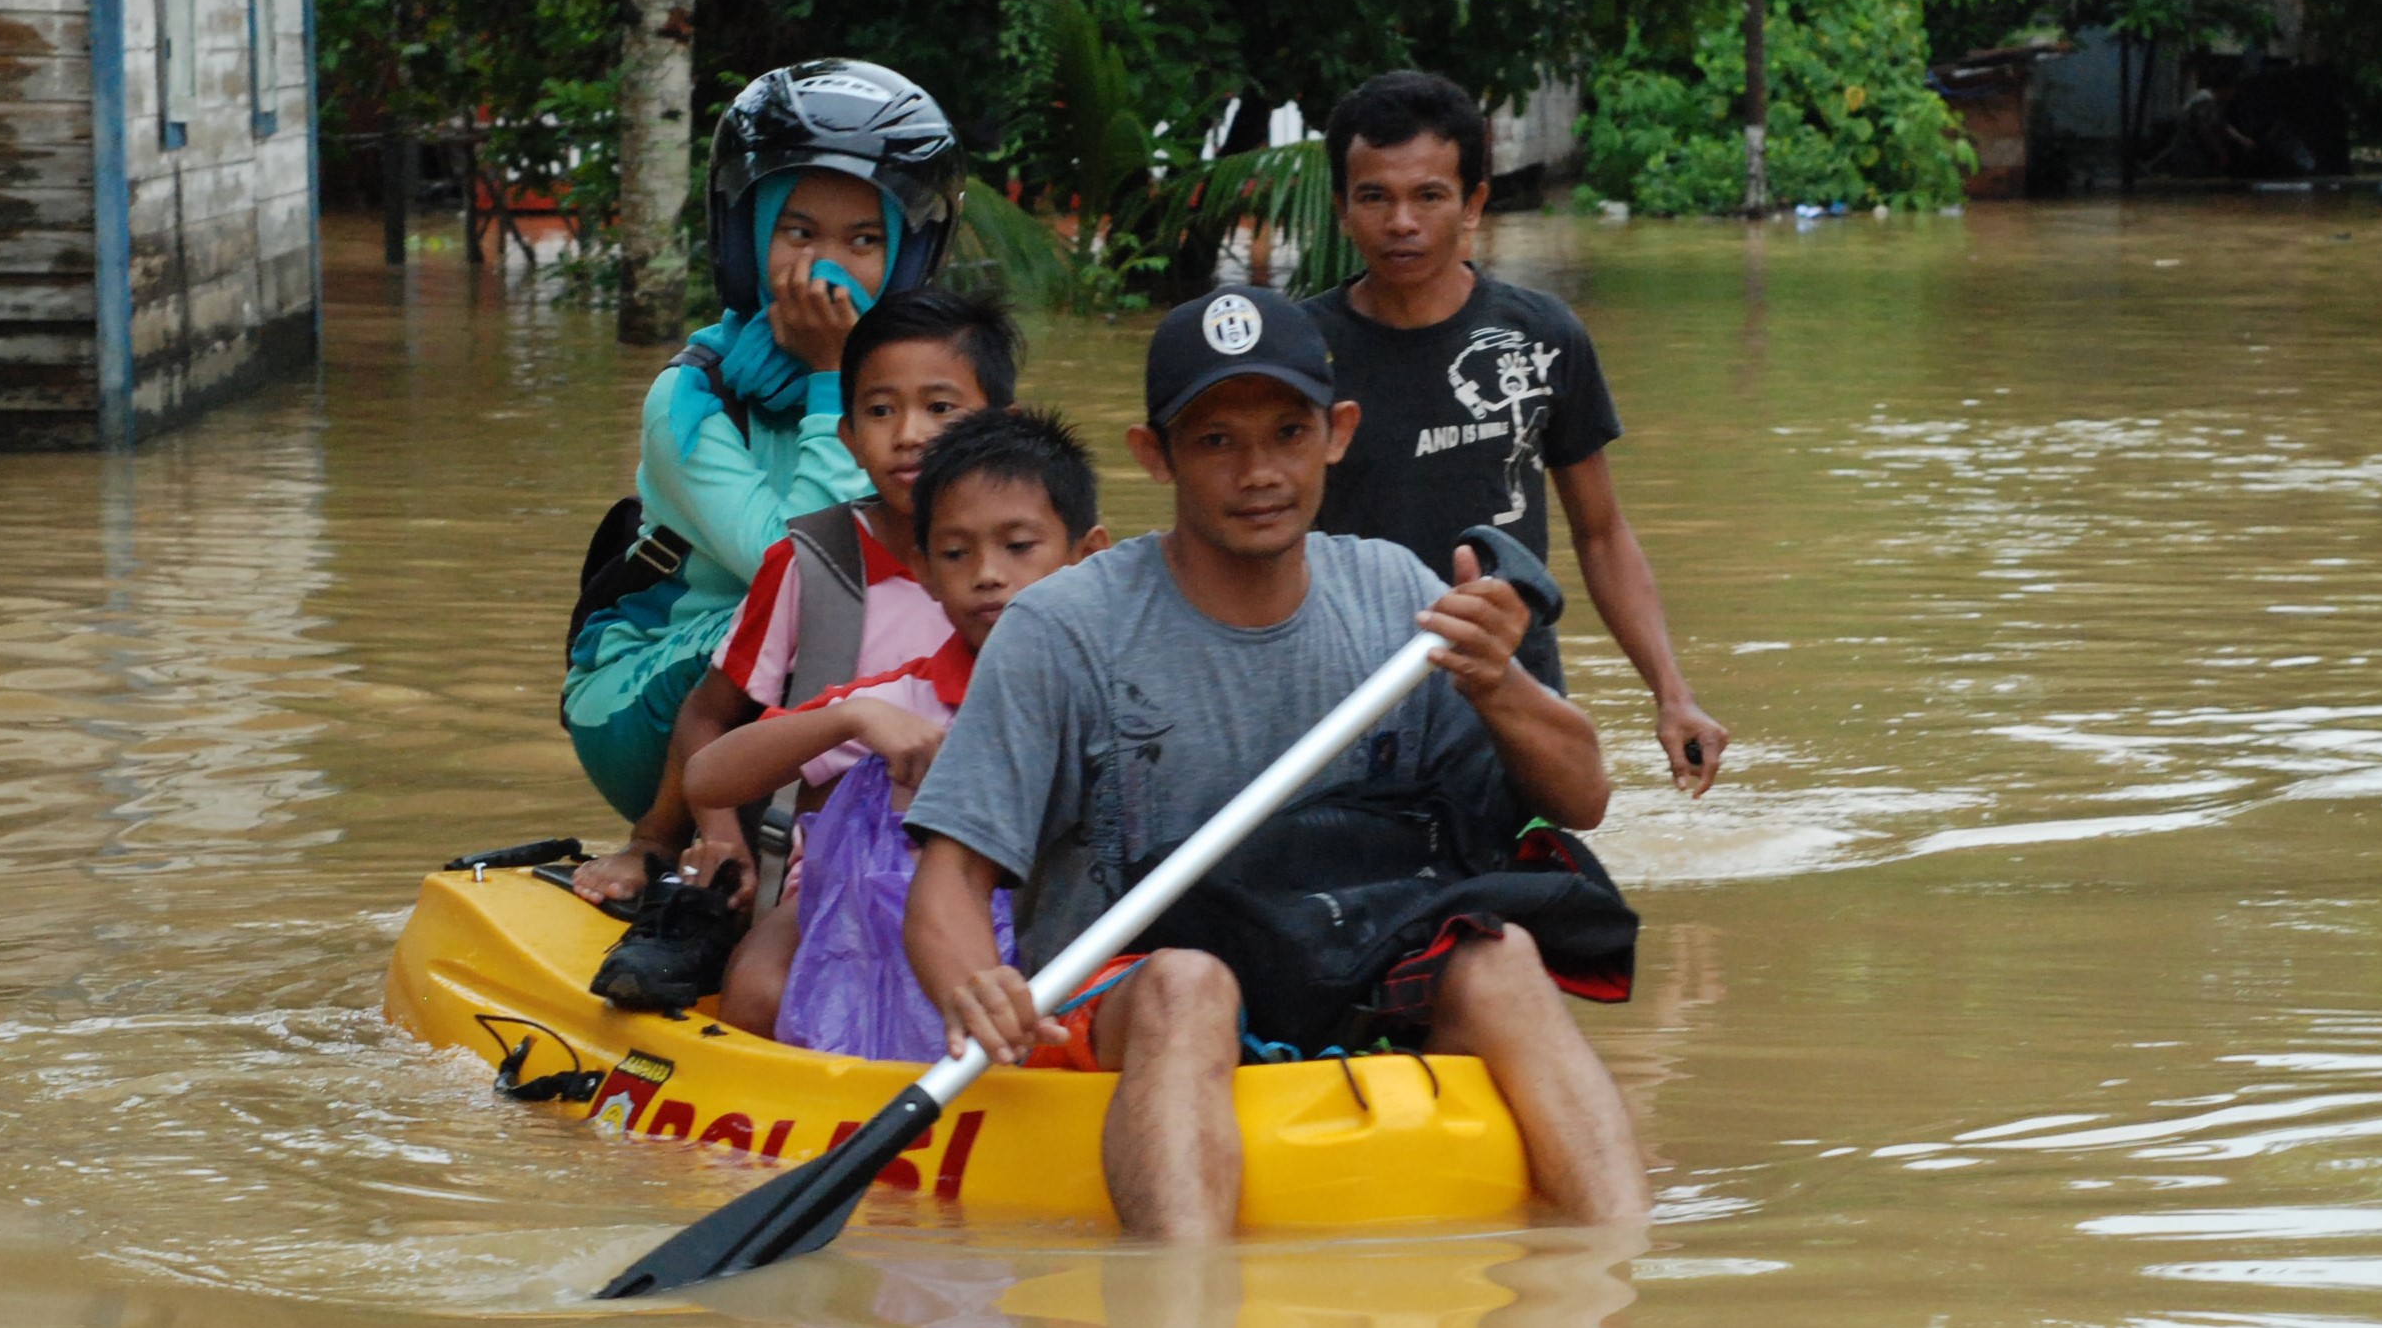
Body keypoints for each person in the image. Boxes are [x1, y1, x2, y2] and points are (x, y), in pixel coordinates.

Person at [902, 286, 1652, 1240]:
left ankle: (1622, 1265)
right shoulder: (1062, 628)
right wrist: (974, 982)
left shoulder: (1395, 595)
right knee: (1191, 985)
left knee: (1500, 958)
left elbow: (1581, 798)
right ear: (1153, 455)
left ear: (1337, 433)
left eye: (1287, 432)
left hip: (1353, 963)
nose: (1258, 472)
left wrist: (1497, 681)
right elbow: (948, 884)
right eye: (1215, 441)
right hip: (1133, 993)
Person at [564, 59, 963, 905]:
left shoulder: (934, 393)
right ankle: (654, 842)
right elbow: (806, 568)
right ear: (748, 240)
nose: (826, 270)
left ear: (906, 257)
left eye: (862, 242)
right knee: (794, 614)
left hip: (813, 685)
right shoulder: (689, 397)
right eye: (798, 234)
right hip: (649, 691)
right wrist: (831, 381)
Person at [1306, 68, 1730, 795]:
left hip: (1516, 693)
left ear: (1472, 205)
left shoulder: (1543, 337)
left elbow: (1600, 533)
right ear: (1343, 208)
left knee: (1542, 889)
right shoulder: (1301, 356)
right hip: (1351, 700)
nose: (1401, 221)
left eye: (1428, 195)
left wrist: (1671, 692)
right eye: (1374, 196)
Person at [684, 407, 1104, 1040]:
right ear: (926, 573)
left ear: (1088, 555)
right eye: (957, 554)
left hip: (1066, 953)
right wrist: (847, 718)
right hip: (912, 960)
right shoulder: (900, 699)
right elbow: (706, 779)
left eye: (1018, 547)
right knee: (759, 992)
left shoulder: (1126, 694)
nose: (988, 574)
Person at [658, 287, 1022, 885]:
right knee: (757, 980)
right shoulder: (810, 563)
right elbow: (708, 716)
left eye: (941, 408)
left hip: (996, 881)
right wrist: (724, 841)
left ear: (1002, 428)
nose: (910, 434)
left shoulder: (1044, 574)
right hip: (830, 883)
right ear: (848, 436)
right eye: (881, 411)